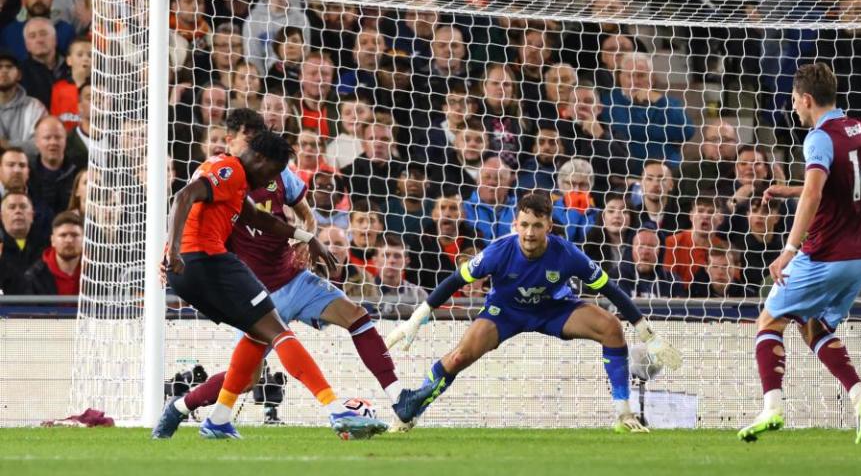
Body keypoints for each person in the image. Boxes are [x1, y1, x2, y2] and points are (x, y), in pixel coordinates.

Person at [153, 109, 401, 438]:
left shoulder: (233, 177)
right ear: (253, 154)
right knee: (279, 332)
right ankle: (335, 409)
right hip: (208, 262)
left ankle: (211, 417)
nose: (271, 178)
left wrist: (308, 237)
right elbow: (184, 197)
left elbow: (258, 219)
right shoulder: (229, 169)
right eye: (271, 170)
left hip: (192, 273)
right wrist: (174, 250)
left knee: (258, 338)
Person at [385, 191, 682, 433]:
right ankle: (410, 411)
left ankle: (624, 415)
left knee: (611, 328)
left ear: (548, 227)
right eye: (524, 225)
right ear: (515, 224)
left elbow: (611, 290)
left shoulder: (568, 254)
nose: (529, 233)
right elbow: (454, 281)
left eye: (537, 226)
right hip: (505, 312)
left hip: (554, 309)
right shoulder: (497, 252)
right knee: (459, 356)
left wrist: (646, 332)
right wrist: (416, 319)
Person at [738, 62, 861, 445]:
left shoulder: (818, 138)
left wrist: (788, 249)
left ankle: (772, 408)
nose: (794, 108)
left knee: (768, 321)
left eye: (794, 101)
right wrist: (789, 191)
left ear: (805, 98)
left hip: (826, 254)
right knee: (813, 325)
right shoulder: (859, 129)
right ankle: (860, 395)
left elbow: (817, 194)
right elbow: (836, 185)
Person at [21, 209, 82, 295]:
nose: (69, 240)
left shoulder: (97, 274)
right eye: (63, 235)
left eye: (75, 235)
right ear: (52, 240)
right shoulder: (34, 277)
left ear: (84, 240)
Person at [0, 50, 47, 151]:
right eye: (0, 67)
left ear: (19, 75)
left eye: (9, 67)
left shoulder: (35, 107)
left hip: (26, 165)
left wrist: (8, 145)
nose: (4, 71)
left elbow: (43, 144)